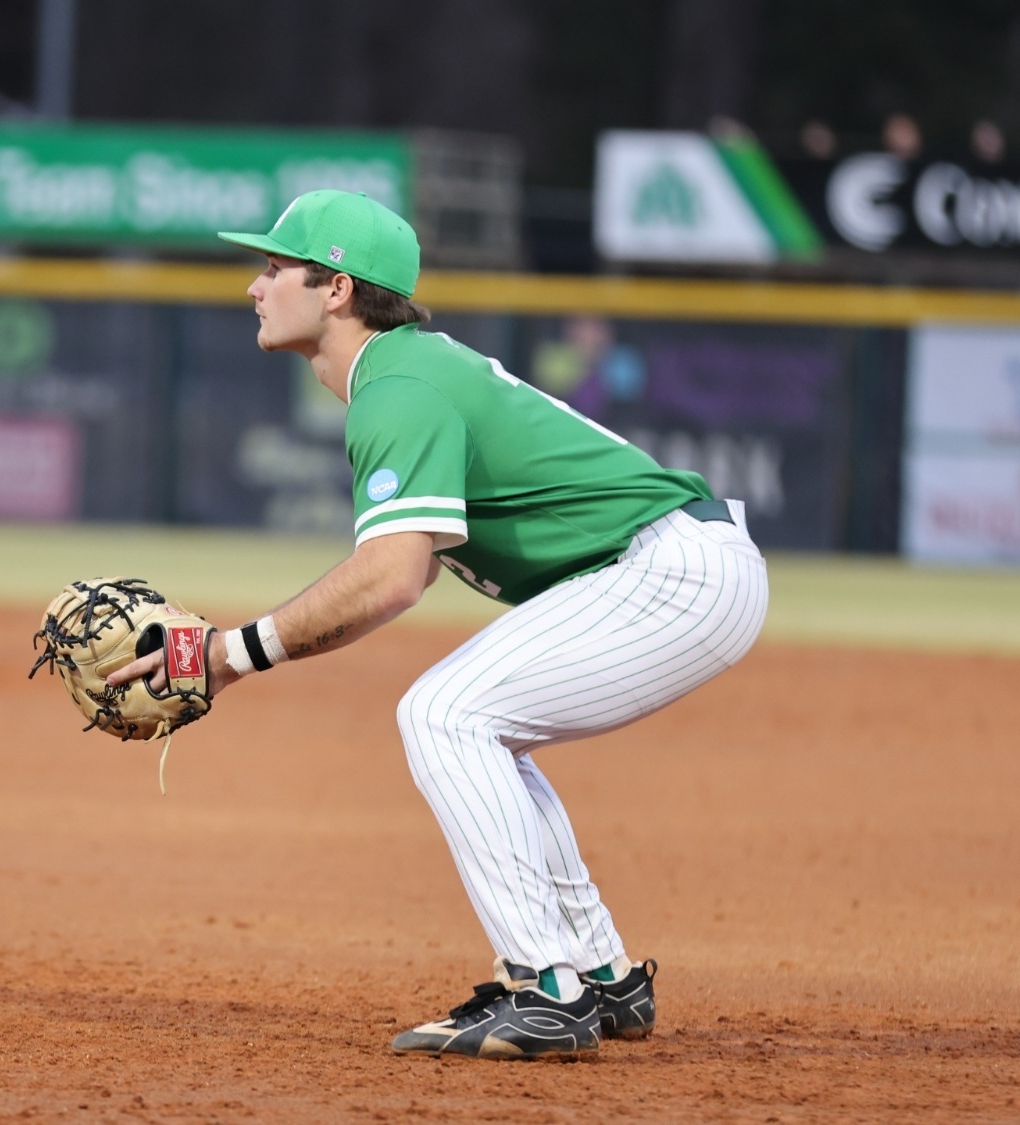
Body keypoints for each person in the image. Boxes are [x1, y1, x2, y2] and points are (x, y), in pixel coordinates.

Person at [107, 190, 769, 1059]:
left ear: (336, 288)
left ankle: (547, 988)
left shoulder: (397, 385)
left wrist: (228, 654)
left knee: (446, 713)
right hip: (675, 563)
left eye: (275, 267)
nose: (255, 286)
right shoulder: (401, 373)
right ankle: (599, 974)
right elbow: (401, 573)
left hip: (671, 569)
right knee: (486, 726)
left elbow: (388, 581)